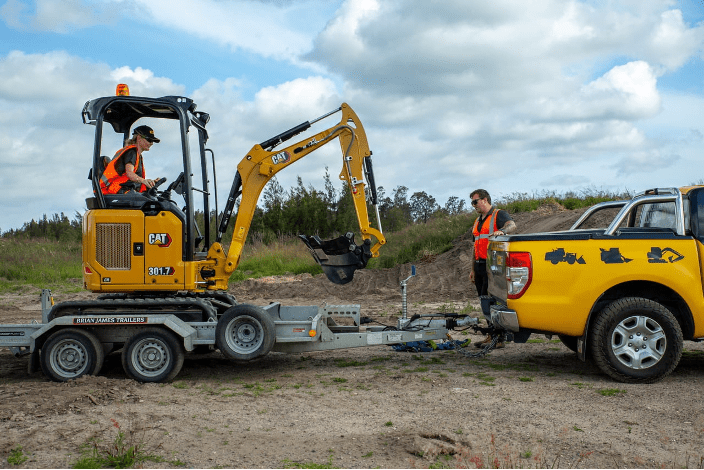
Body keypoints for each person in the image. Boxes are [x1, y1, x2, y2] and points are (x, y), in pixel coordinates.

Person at [468, 189, 516, 348]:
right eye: (472, 202)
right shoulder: (477, 221)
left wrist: (502, 231)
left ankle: (498, 338)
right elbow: (475, 247)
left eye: (475, 201)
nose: (473, 205)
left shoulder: (498, 214)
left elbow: (512, 225)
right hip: (479, 266)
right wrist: (473, 269)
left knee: (493, 301)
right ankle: (491, 335)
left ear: (485, 199)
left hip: (493, 266)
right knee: (484, 301)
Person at [100, 125, 161, 195]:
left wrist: (150, 182)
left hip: (124, 190)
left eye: (152, 141)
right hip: (117, 190)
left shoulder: (138, 156)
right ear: (139, 138)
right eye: (149, 140)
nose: (151, 143)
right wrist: (144, 181)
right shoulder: (132, 152)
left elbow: (134, 179)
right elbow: (129, 173)